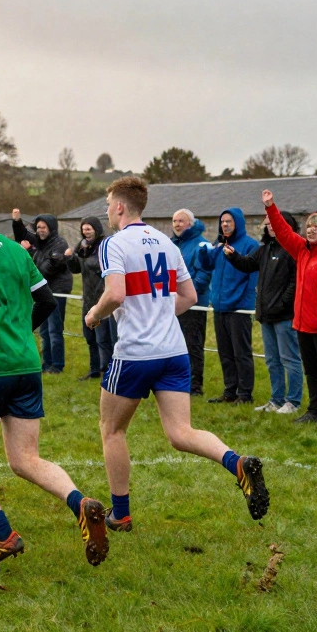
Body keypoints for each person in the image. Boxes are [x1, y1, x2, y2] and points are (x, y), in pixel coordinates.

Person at [0, 178, 110, 568]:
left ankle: (4, 535)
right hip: (26, 364)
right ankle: (80, 503)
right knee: (25, 458)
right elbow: (44, 300)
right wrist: (19, 334)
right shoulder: (15, 249)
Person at [86, 177, 269, 538]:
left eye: (109, 203)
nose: (106, 209)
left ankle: (120, 515)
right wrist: (160, 314)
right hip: (173, 350)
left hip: (136, 353)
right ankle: (238, 464)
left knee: (112, 430)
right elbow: (188, 295)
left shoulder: (113, 244)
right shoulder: (167, 244)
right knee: (181, 432)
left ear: (121, 207)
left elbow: (115, 294)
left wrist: (94, 314)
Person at [261, 191, 317, 424]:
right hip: (303, 325)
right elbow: (283, 232)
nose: (311, 230)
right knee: (311, 371)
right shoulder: (302, 250)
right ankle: (314, 411)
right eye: (309, 226)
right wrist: (271, 207)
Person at [223, 211, 302, 414]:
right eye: (268, 224)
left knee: (289, 358)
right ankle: (276, 399)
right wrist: (234, 257)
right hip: (266, 315)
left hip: (284, 315)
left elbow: (295, 282)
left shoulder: (293, 250)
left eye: (275, 224)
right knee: (272, 359)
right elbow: (248, 265)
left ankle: (293, 401)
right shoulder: (265, 249)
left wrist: (284, 303)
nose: (270, 227)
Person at [198, 208, 259, 404]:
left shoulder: (250, 245)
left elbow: (252, 279)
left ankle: (245, 394)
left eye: (229, 221)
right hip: (220, 306)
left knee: (241, 352)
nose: (225, 225)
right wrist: (203, 252)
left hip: (239, 308)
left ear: (238, 223)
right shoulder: (219, 244)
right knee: (225, 352)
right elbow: (208, 267)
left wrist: (240, 301)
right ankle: (230, 391)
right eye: (222, 222)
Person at [11, 210, 72, 374]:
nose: (40, 230)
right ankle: (47, 364)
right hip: (44, 294)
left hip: (57, 292)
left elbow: (48, 269)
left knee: (54, 330)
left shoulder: (59, 244)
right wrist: (17, 221)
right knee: (44, 331)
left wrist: (30, 252)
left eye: (43, 227)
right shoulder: (40, 242)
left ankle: (57, 365)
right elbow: (22, 235)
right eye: (38, 227)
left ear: (51, 228)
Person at [66, 216, 115, 381]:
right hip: (87, 297)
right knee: (89, 336)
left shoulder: (104, 246)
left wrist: (102, 291)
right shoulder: (82, 246)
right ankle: (94, 369)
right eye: (84, 229)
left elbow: (107, 271)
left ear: (96, 229)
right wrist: (69, 258)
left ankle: (107, 370)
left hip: (101, 297)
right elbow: (75, 269)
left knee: (103, 338)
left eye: (89, 228)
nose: (86, 232)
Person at [171, 210, 213, 396]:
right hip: (172, 302)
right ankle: (177, 379)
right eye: (174, 221)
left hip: (193, 303)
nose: (177, 224)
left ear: (191, 223)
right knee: (174, 343)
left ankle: (195, 384)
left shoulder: (202, 244)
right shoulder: (173, 244)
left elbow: (204, 273)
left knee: (192, 343)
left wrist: (187, 293)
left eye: (181, 221)